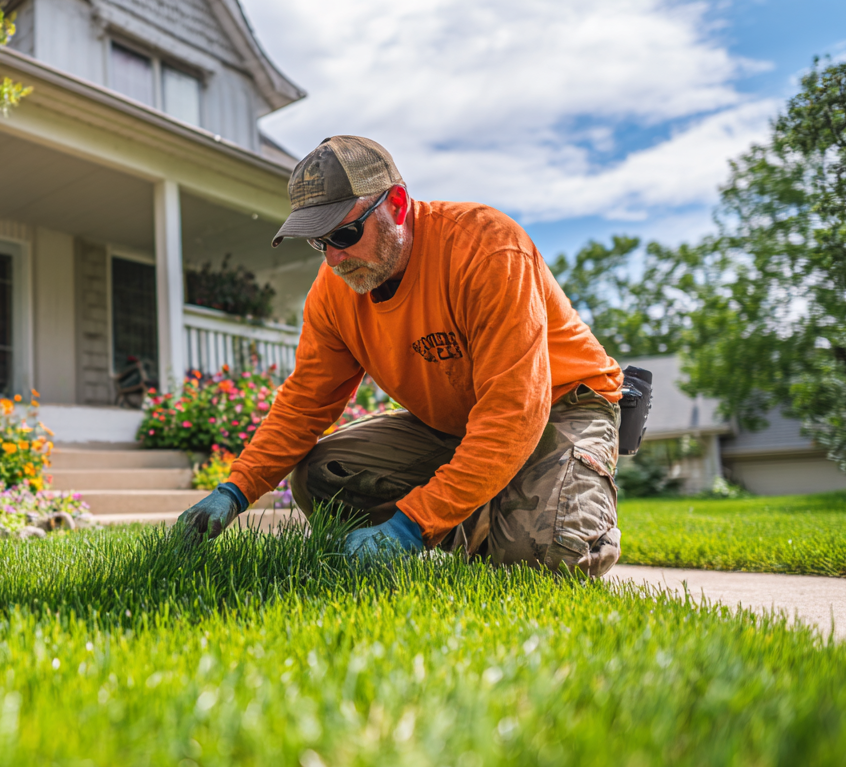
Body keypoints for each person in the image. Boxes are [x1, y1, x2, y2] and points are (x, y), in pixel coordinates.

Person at [177, 135, 625, 577]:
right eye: (319, 241)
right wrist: (235, 490)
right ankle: (489, 509)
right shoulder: (334, 290)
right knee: (321, 476)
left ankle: (525, 517)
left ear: (396, 203)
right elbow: (306, 400)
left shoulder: (487, 248)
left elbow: (515, 409)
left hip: (561, 406)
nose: (334, 258)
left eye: (346, 233)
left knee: (541, 562)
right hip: (456, 423)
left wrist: (414, 525)